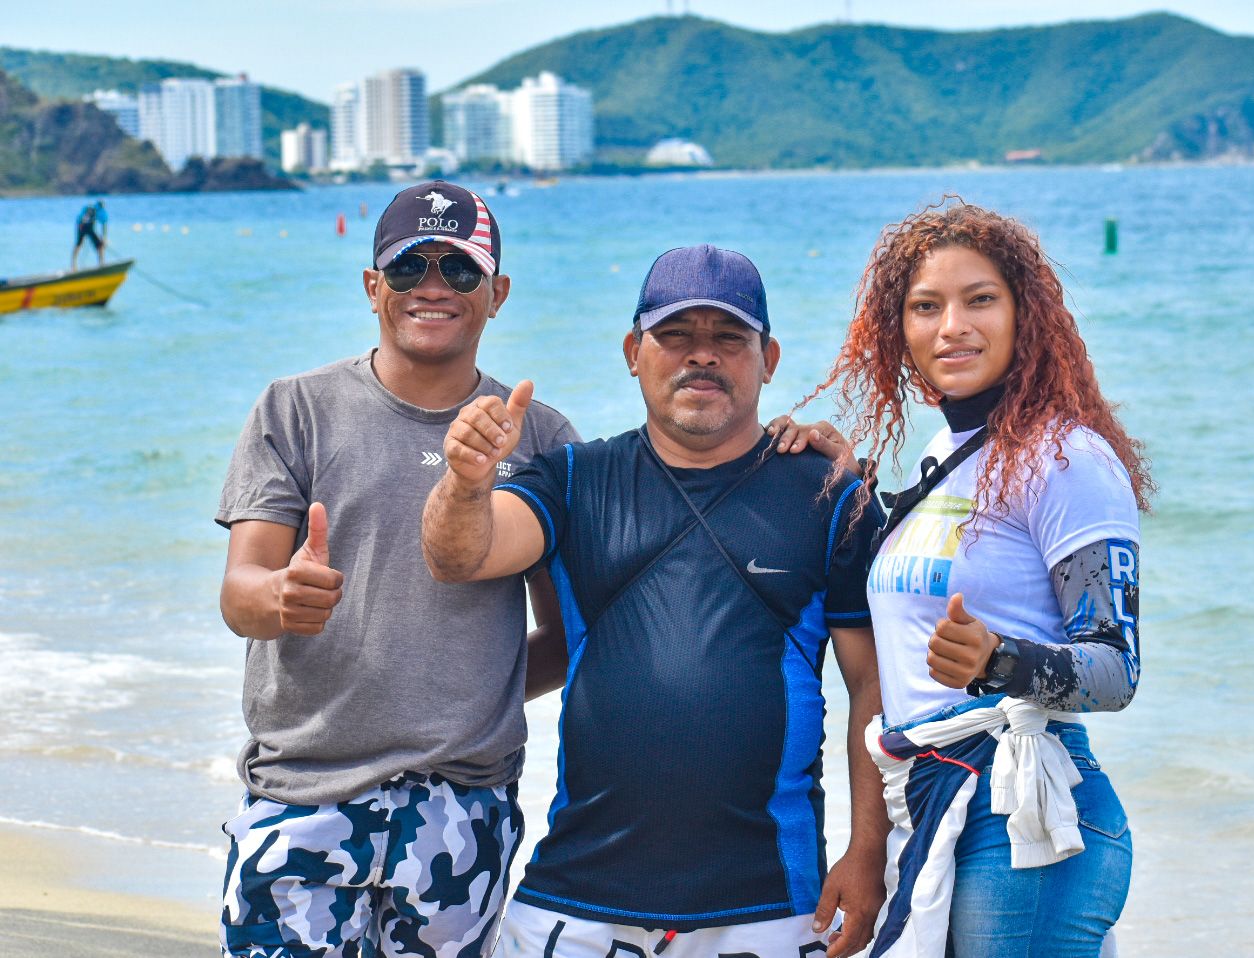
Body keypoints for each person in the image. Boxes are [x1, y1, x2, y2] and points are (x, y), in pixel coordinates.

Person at [421, 245, 889, 958]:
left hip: (768, 902)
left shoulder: (831, 498)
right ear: (633, 351)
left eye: (728, 338)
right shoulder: (575, 478)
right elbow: (462, 555)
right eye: (675, 336)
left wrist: (866, 851)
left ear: (768, 359)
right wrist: (464, 480)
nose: (701, 356)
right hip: (574, 898)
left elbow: (875, 688)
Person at [781, 199, 1155, 958]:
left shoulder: (1064, 458)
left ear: (1026, 316)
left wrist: (999, 661)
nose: (951, 325)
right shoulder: (942, 453)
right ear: (900, 331)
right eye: (926, 307)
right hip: (931, 798)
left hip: (1025, 818)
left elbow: (1116, 669)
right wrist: (851, 486)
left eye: (979, 299)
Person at [215, 180, 580, 958]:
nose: (433, 287)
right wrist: (281, 596)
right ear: (372, 286)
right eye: (410, 266)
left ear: (497, 293)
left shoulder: (541, 438)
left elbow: (564, 632)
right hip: (304, 789)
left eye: (460, 269)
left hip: (459, 806)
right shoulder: (294, 409)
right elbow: (239, 595)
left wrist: (463, 685)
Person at [71, 199, 107, 270]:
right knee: (79, 244)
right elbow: (82, 219)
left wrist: (103, 238)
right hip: (82, 227)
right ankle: (74, 265)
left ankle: (101, 263)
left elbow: (104, 224)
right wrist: (82, 223)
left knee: (100, 245)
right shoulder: (90, 209)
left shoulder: (102, 212)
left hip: (90, 228)